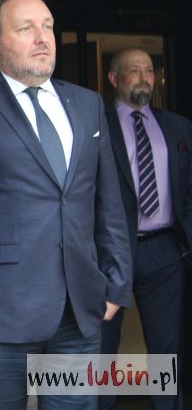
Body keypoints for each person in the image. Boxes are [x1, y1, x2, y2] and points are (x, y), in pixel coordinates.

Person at [0, 0, 132, 409]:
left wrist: (116, 283)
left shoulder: (87, 105)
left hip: (78, 313)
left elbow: (109, 204)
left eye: (48, 27)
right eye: (26, 29)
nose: (42, 38)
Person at [99, 47, 192, 410]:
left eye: (149, 70)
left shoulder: (178, 127)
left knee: (166, 349)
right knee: (103, 348)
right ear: (114, 78)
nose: (143, 78)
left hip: (164, 251)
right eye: (134, 70)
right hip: (111, 253)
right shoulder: (96, 126)